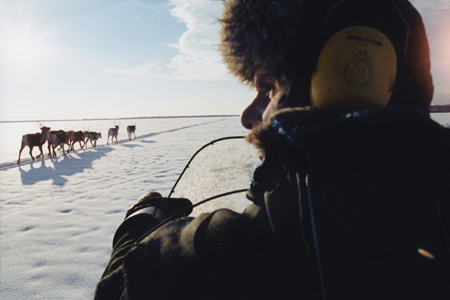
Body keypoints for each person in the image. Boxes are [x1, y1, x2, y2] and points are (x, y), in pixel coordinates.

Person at [95, 0, 450, 299]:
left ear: (348, 75)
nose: (248, 115)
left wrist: (135, 231)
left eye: (269, 87)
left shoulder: (241, 254)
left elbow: (128, 285)